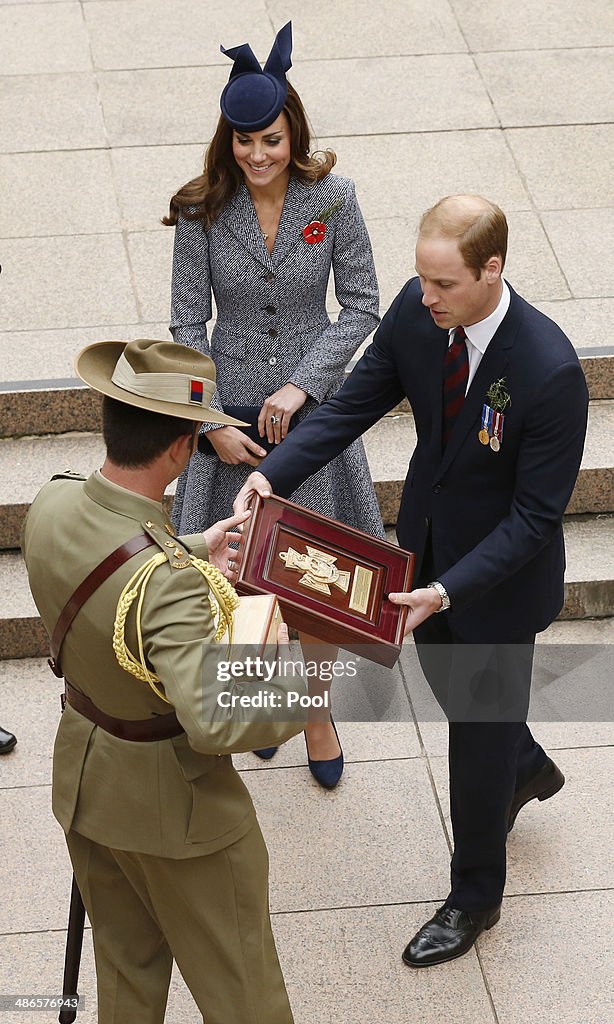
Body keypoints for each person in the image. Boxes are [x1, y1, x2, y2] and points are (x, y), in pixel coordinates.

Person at [235, 195, 589, 966]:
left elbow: (534, 518)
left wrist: (449, 590)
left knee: (473, 731)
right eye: (420, 280)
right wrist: (273, 477)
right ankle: (523, 766)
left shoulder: (550, 370)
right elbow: (352, 404)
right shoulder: (419, 311)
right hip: (424, 551)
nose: (424, 297)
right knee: (461, 697)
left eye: (443, 284)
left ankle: (474, 899)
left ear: (492, 270)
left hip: (497, 584)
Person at [22, 338, 307, 1024]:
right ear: (182, 448)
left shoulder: (50, 504)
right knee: (247, 1000)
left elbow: (114, 559)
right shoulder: (170, 588)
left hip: (90, 784)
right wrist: (303, 677)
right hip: (178, 816)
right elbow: (214, 721)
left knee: (126, 984)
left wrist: (197, 545)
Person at [163, 21, 384, 786]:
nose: (259, 155)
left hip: (312, 420)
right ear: (227, 140)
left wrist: (303, 384)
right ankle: (260, 700)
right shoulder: (200, 210)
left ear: (296, 136)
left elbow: (361, 306)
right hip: (229, 414)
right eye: (245, 141)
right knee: (240, 579)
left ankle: (316, 711)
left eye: (273, 140)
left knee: (314, 582)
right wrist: (212, 423)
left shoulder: (335, 199)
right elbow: (187, 325)